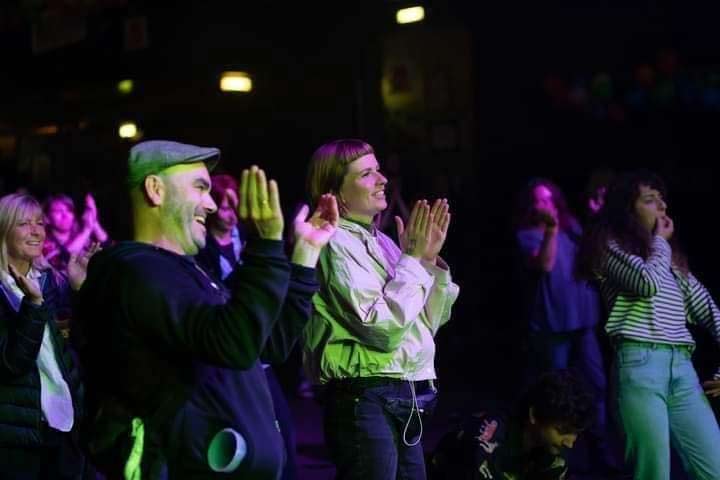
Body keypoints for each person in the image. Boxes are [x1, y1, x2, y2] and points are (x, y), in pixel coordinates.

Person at [75, 140, 338, 479]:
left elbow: (267, 344)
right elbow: (236, 343)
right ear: (155, 190)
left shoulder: (184, 270)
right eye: (200, 187)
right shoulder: (135, 271)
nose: (211, 204)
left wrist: (305, 255)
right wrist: (264, 245)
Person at [303, 139, 460, 480]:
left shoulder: (383, 241)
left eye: (378, 170)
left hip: (401, 391)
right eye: (366, 174)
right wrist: (412, 260)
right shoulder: (333, 243)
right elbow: (382, 329)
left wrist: (428, 262)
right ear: (336, 193)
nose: (382, 179)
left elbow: (426, 324)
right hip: (364, 396)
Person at [577, 171, 720, 479]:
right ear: (628, 209)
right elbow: (647, 283)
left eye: (662, 199)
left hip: (682, 369)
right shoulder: (609, 245)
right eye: (650, 200)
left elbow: (709, 309)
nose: (662, 206)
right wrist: (660, 243)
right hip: (640, 366)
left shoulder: (669, 259)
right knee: (653, 474)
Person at [196, 172, 298, 480]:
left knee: (284, 437)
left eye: (234, 205)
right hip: (234, 360)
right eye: (225, 206)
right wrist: (251, 266)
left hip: (262, 355)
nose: (230, 214)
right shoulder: (202, 248)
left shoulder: (247, 237)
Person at [513, 179, 608, 468]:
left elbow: (595, 250)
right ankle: (554, 459)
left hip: (584, 319)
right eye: (537, 200)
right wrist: (551, 229)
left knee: (597, 384)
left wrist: (596, 217)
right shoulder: (528, 234)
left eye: (547, 199)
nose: (542, 204)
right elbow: (545, 264)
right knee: (556, 392)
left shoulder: (572, 227)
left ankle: (602, 454)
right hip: (553, 324)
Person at [0, 193, 91, 479]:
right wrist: (33, 305)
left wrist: (79, 291)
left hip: (64, 424)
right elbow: (11, 363)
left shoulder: (51, 281)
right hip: (18, 437)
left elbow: (80, 345)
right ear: (3, 230)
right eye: (24, 224)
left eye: (39, 223)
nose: (36, 231)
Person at [429, 370, 595, 480]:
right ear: (534, 415)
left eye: (575, 433)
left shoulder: (555, 455)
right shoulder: (489, 440)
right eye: (562, 431)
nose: (570, 443)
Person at [43, 193, 109, 274]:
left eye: (69, 210)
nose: (65, 215)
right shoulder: (44, 243)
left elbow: (108, 247)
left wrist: (93, 221)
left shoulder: (82, 236)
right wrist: (87, 230)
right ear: (47, 218)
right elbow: (65, 259)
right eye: (58, 211)